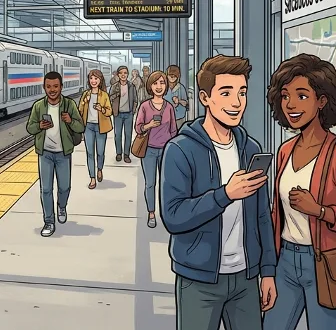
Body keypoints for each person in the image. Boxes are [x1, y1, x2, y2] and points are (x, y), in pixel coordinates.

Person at [160, 55, 276, 330]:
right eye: (226, 93)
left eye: (242, 92)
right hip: (199, 279)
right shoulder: (180, 150)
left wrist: (268, 272)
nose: (237, 102)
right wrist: (225, 195)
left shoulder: (250, 149)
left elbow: (262, 216)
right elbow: (174, 217)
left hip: (246, 279)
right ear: (205, 98)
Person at [263, 54, 336, 329]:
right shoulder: (285, 151)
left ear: (322, 101)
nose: (291, 104)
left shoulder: (334, 152)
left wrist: (317, 210)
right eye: (285, 96)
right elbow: (276, 213)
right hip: (285, 261)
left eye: (301, 96)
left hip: (325, 265)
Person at [26, 72, 84, 238]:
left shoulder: (69, 105)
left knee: (64, 187)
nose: (52, 90)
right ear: (44, 87)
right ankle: (49, 221)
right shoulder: (38, 106)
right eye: (49, 86)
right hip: (45, 154)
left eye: (55, 86)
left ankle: (62, 206)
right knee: (45, 189)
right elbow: (30, 128)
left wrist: (70, 121)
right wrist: (40, 126)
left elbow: (80, 127)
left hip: (63, 154)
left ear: (61, 87)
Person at [135, 70, 178, 228]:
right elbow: (138, 128)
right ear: (150, 86)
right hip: (148, 150)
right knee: (150, 183)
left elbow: (174, 130)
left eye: (162, 83)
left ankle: (167, 213)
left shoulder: (169, 108)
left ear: (166, 86)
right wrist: (149, 125)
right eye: (155, 83)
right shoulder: (145, 106)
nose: (159, 86)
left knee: (167, 183)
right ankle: (151, 213)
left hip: (166, 151)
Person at [79, 69, 113, 189]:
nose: (93, 81)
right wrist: (84, 102)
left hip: (101, 127)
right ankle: (92, 178)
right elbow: (80, 111)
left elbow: (109, 111)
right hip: (88, 126)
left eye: (96, 79)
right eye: (91, 78)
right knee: (89, 153)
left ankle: (99, 169)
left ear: (100, 80)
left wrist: (101, 109)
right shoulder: (86, 94)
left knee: (100, 152)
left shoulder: (104, 95)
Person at [110, 66, 139, 164]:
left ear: (128, 74)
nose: (123, 75)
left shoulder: (131, 86)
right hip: (117, 114)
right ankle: (119, 153)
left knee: (128, 134)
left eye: (125, 73)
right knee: (117, 135)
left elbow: (135, 99)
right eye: (121, 73)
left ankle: (126, 154)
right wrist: (116, 95)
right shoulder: (114, 86)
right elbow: (110, 98)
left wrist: (133, 111)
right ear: (118, 74)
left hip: (128, 114)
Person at [165, 65, 190, 129]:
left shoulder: (181, 88)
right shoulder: (163, 87)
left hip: (179, 118)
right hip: (166, 117)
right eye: (170, 75)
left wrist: (178, 101)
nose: (172, 77)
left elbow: (186, 103)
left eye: (174, 76)